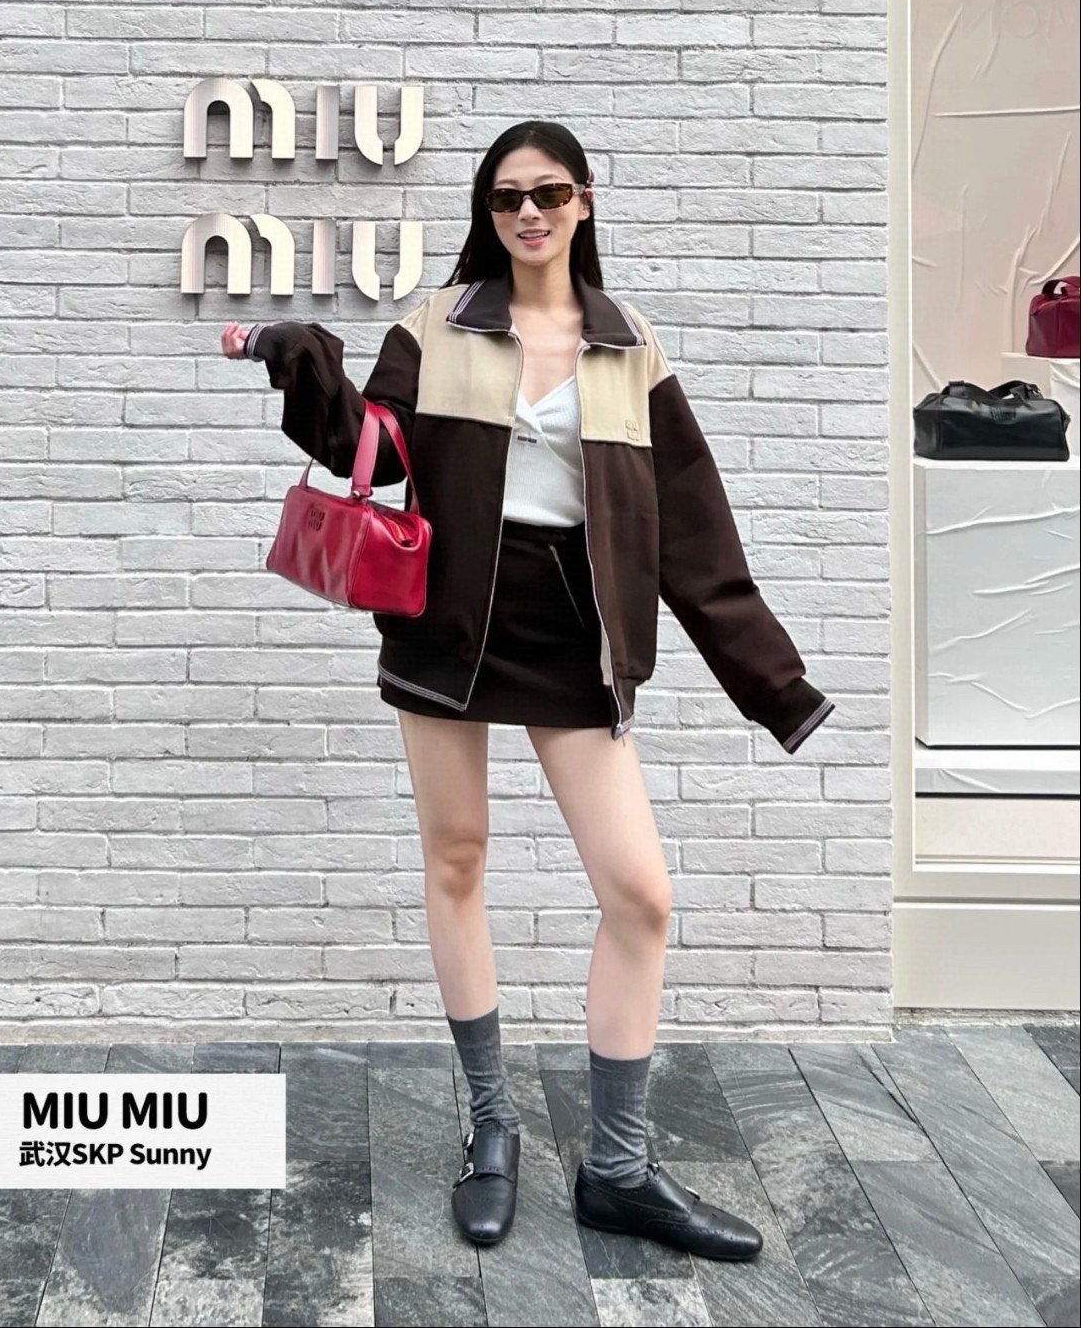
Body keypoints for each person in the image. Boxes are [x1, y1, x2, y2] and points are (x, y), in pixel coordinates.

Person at [222, 119, 833, 1260]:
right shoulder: (437, 324)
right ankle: (492, 1126)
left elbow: (694, 527)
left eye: (548, 193)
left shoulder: (627, 345)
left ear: (584, 200)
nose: (529, 214)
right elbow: (369, 447)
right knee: (457, 862)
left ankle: (617, 1168)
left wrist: (774, 682)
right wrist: (304, 362)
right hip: (445, 628)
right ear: (487, 212)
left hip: (572, 637)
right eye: (507, 198)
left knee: (639, 894)